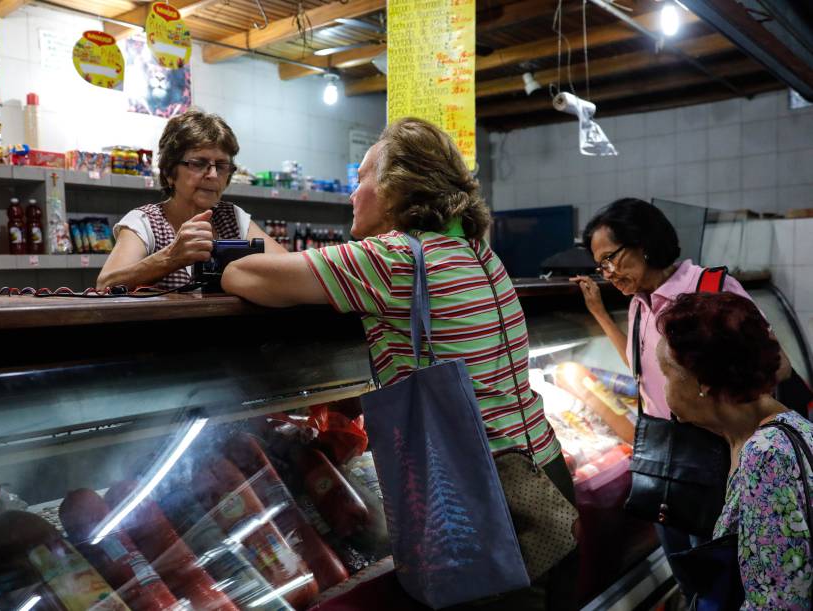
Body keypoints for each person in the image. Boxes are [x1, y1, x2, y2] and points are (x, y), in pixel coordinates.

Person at [222, 117, 576, 609]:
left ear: (395, 189)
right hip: (542, 475)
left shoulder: (395, 260)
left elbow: (243, 276)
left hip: (477, 495)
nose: (353, 194)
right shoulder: (478, 253)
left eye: (362, 179)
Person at [570, 198, 792, 592]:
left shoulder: (710, 289)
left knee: (725, 577)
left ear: (644, 244)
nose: (606, 273)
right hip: (665, 458)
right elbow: (641, 368)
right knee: (689, 579)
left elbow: (776, 366)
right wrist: (601, 313)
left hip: (716, 456)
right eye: (599, 266)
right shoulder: (639, 303)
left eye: (611, 259)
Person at [656, 292, 812, 609]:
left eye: (666, 375)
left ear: (703, 383)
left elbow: (775, 600)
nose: (664, 388)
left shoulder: (766, 454)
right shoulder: (763, 430)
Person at [97, 110, 284, 290]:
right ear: (169, 172)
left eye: (221, 165)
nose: (212, 174)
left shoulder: (233, 218)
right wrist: (171, 257)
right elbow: (105, 285)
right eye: (198, 163)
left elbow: (289, 267)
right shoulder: (145, 222)